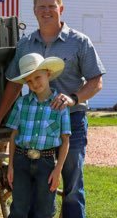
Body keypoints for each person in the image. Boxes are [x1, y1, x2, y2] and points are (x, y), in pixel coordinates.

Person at [0, 0, 105, 218]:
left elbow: (96, 81)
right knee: (38, 183)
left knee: (71, 186)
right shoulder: (26, 44)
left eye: (51, 6)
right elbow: (15, 83)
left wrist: (74, 98)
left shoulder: (79, 42)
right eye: (41, 7)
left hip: (71, 119)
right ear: (35, 11)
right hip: (35, 124)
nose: (46, 11)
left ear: (61, 9)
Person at [6, 52, 71, 218]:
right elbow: (14, 135)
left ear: (48, 73)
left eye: (38, 77)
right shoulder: (21, 103)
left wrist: (58, 169)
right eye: (29, 81)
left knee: (45, 209)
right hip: (21, 160)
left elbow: (65, 141)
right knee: (19, 207)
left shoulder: (61, 105)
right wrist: (11, 165)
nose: (34, 84)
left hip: (47, 163)